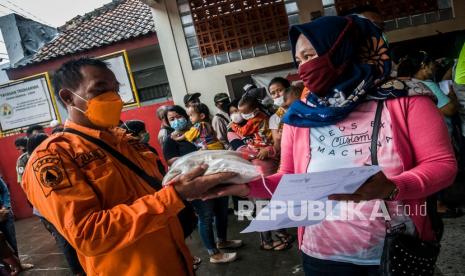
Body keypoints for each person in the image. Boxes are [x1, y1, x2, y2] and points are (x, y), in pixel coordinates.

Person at [204, 15, 457, 275]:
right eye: (299, 60)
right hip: (321, 255)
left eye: (310, 55)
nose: (303, 67)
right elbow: (290, 179)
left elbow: (441, 165)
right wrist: (247, 187)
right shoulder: (301, 115)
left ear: (342, 49)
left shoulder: (405, 99)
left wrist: (394, 187)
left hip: (394, 250)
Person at [22, 58, 236, 276]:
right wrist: (175, 196)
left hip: (176, 262)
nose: (114, 98)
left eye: (115, 90)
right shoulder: (54, 156)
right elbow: (88, 234)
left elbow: (156, 191)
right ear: (69, 98)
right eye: (100, 89)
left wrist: (192, 186)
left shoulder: (125, 140)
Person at [162, 105, 242, 263]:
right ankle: (214, 253)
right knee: (205, 216)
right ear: (167, 122)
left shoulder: (199, 129)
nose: (176, 120)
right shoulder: (171, 140)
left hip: (215, 177)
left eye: (179, 116)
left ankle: (222, 240)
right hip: (195, 184)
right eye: (172, 119)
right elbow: (173, 161)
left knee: (222, 211)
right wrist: (198, 157)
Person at [229, 95, 293, 251]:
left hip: (270, 167)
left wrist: (269, 150)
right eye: (235, 112)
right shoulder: (232, 130)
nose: (238, 115)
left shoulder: (261, 119)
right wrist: (255, 151)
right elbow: (241, 148)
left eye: (241, 112)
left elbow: (275, 145)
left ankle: (280, 232)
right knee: (262, 205)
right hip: (257, 170)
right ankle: (266, 240)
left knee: (272, 204)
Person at [397, 50, 458, 135]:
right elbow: (450, 109)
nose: (435, 65)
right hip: (442, 134)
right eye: (432, 62)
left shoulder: (411, 82)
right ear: (424, 66)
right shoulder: (428, 85)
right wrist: (452, 95)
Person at [0, 176, 33, 274]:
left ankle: (18, 265)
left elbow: (5, 190)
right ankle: (8, 269)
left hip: (4, 213)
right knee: (1, 247)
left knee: (12, 241)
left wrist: (6, 207)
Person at [269, 85, 302, 153]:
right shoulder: (274, 118)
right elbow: (277, 146)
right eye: (273, 93)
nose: (277, 95)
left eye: (280, 90)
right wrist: (280, 137)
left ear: (288, 90)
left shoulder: (304, 111)